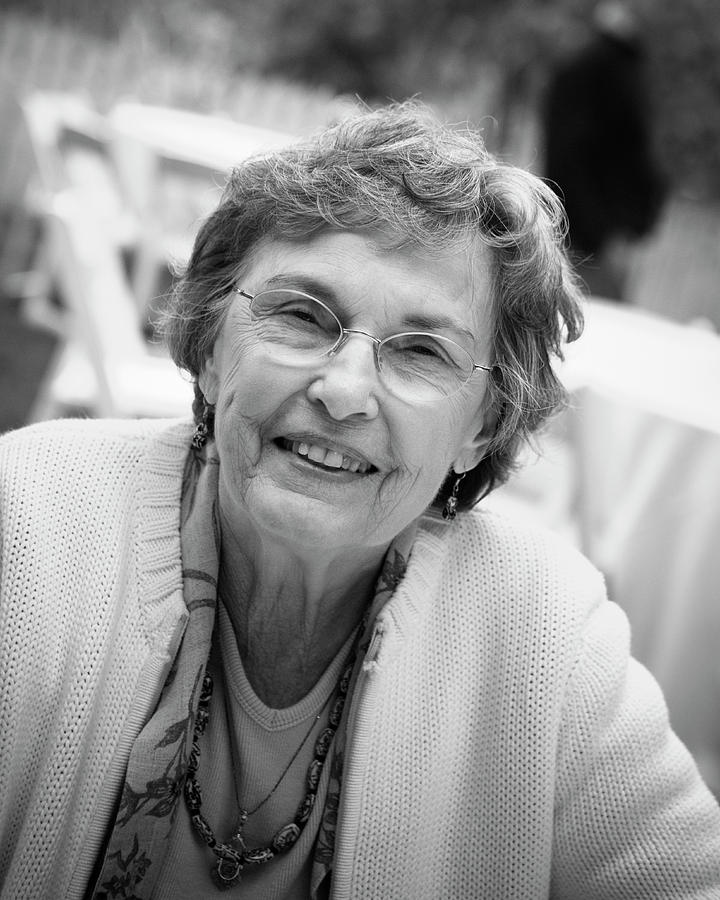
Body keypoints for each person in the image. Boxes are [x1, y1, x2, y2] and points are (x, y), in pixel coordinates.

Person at [1, 101, 718, 900]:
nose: (343, 392)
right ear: (209, 345)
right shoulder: (29, 524)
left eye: (420, 351)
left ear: (483, 426)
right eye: (303, 317)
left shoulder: (545, 637)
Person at [541, 1, 668, 299]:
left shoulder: (621, 65)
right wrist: (595, 231)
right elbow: (568, 156)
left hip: (606, 234)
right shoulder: (591, 68)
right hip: (590, 241)